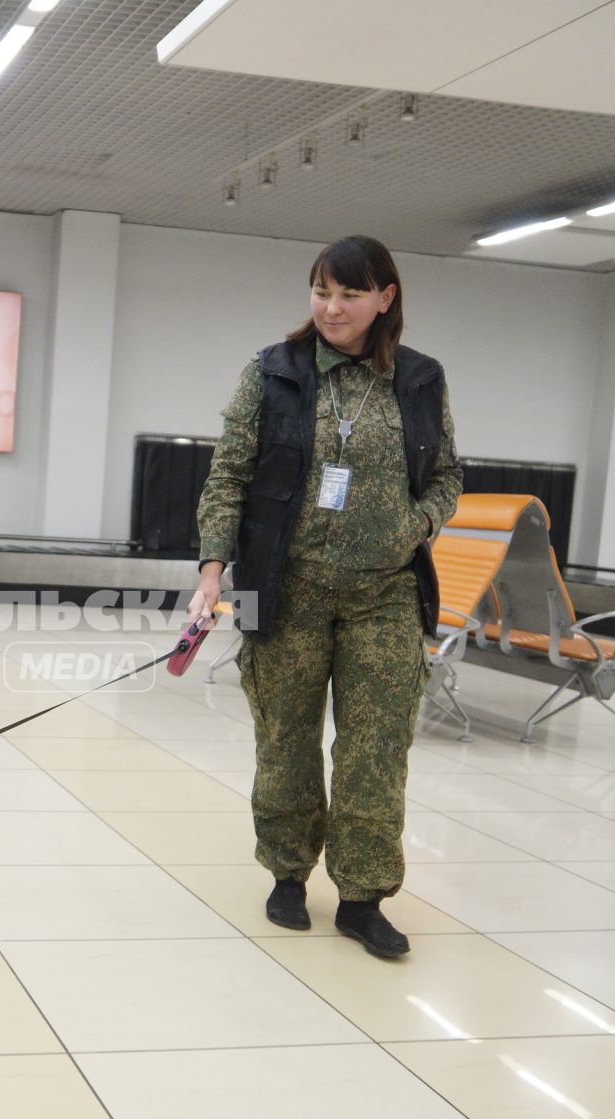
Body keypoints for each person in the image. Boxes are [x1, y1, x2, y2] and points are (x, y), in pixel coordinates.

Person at [189, 235, 462, 958]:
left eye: (348, 294)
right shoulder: (271, 372)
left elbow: (448, 478)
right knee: (285, 740)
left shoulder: (421, 379)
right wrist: (213, 569)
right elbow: (228, 474)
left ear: (385, 299)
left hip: (385, 594)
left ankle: (363, 896)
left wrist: (418, 523)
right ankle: (286, 873)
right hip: (283, 588)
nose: (331, 307)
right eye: (321, 292)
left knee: (376, 752)